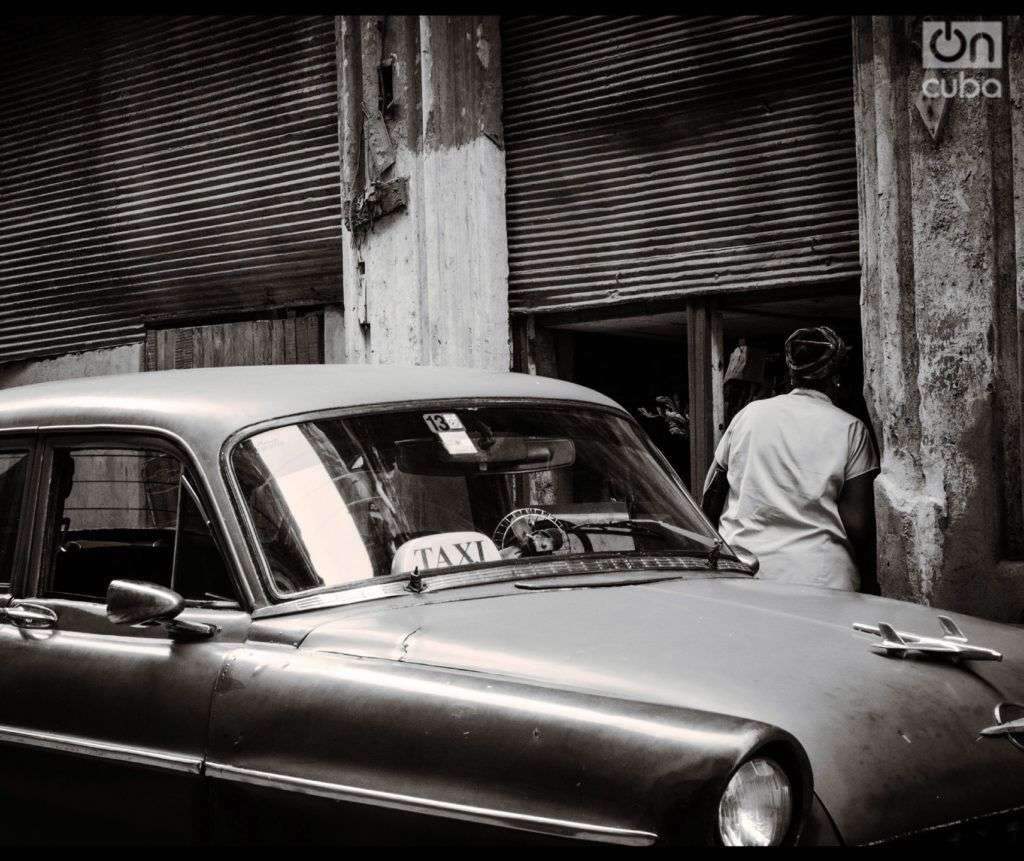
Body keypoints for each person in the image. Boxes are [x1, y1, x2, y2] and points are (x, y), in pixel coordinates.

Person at [701, 326, 880, 593]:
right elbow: (859, 524)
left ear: (790, 371)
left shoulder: (749, 416)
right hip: (822, 579)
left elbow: (711, 495)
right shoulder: (850, 429)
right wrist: (871, 577)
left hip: (746, 570)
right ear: (838, 375)